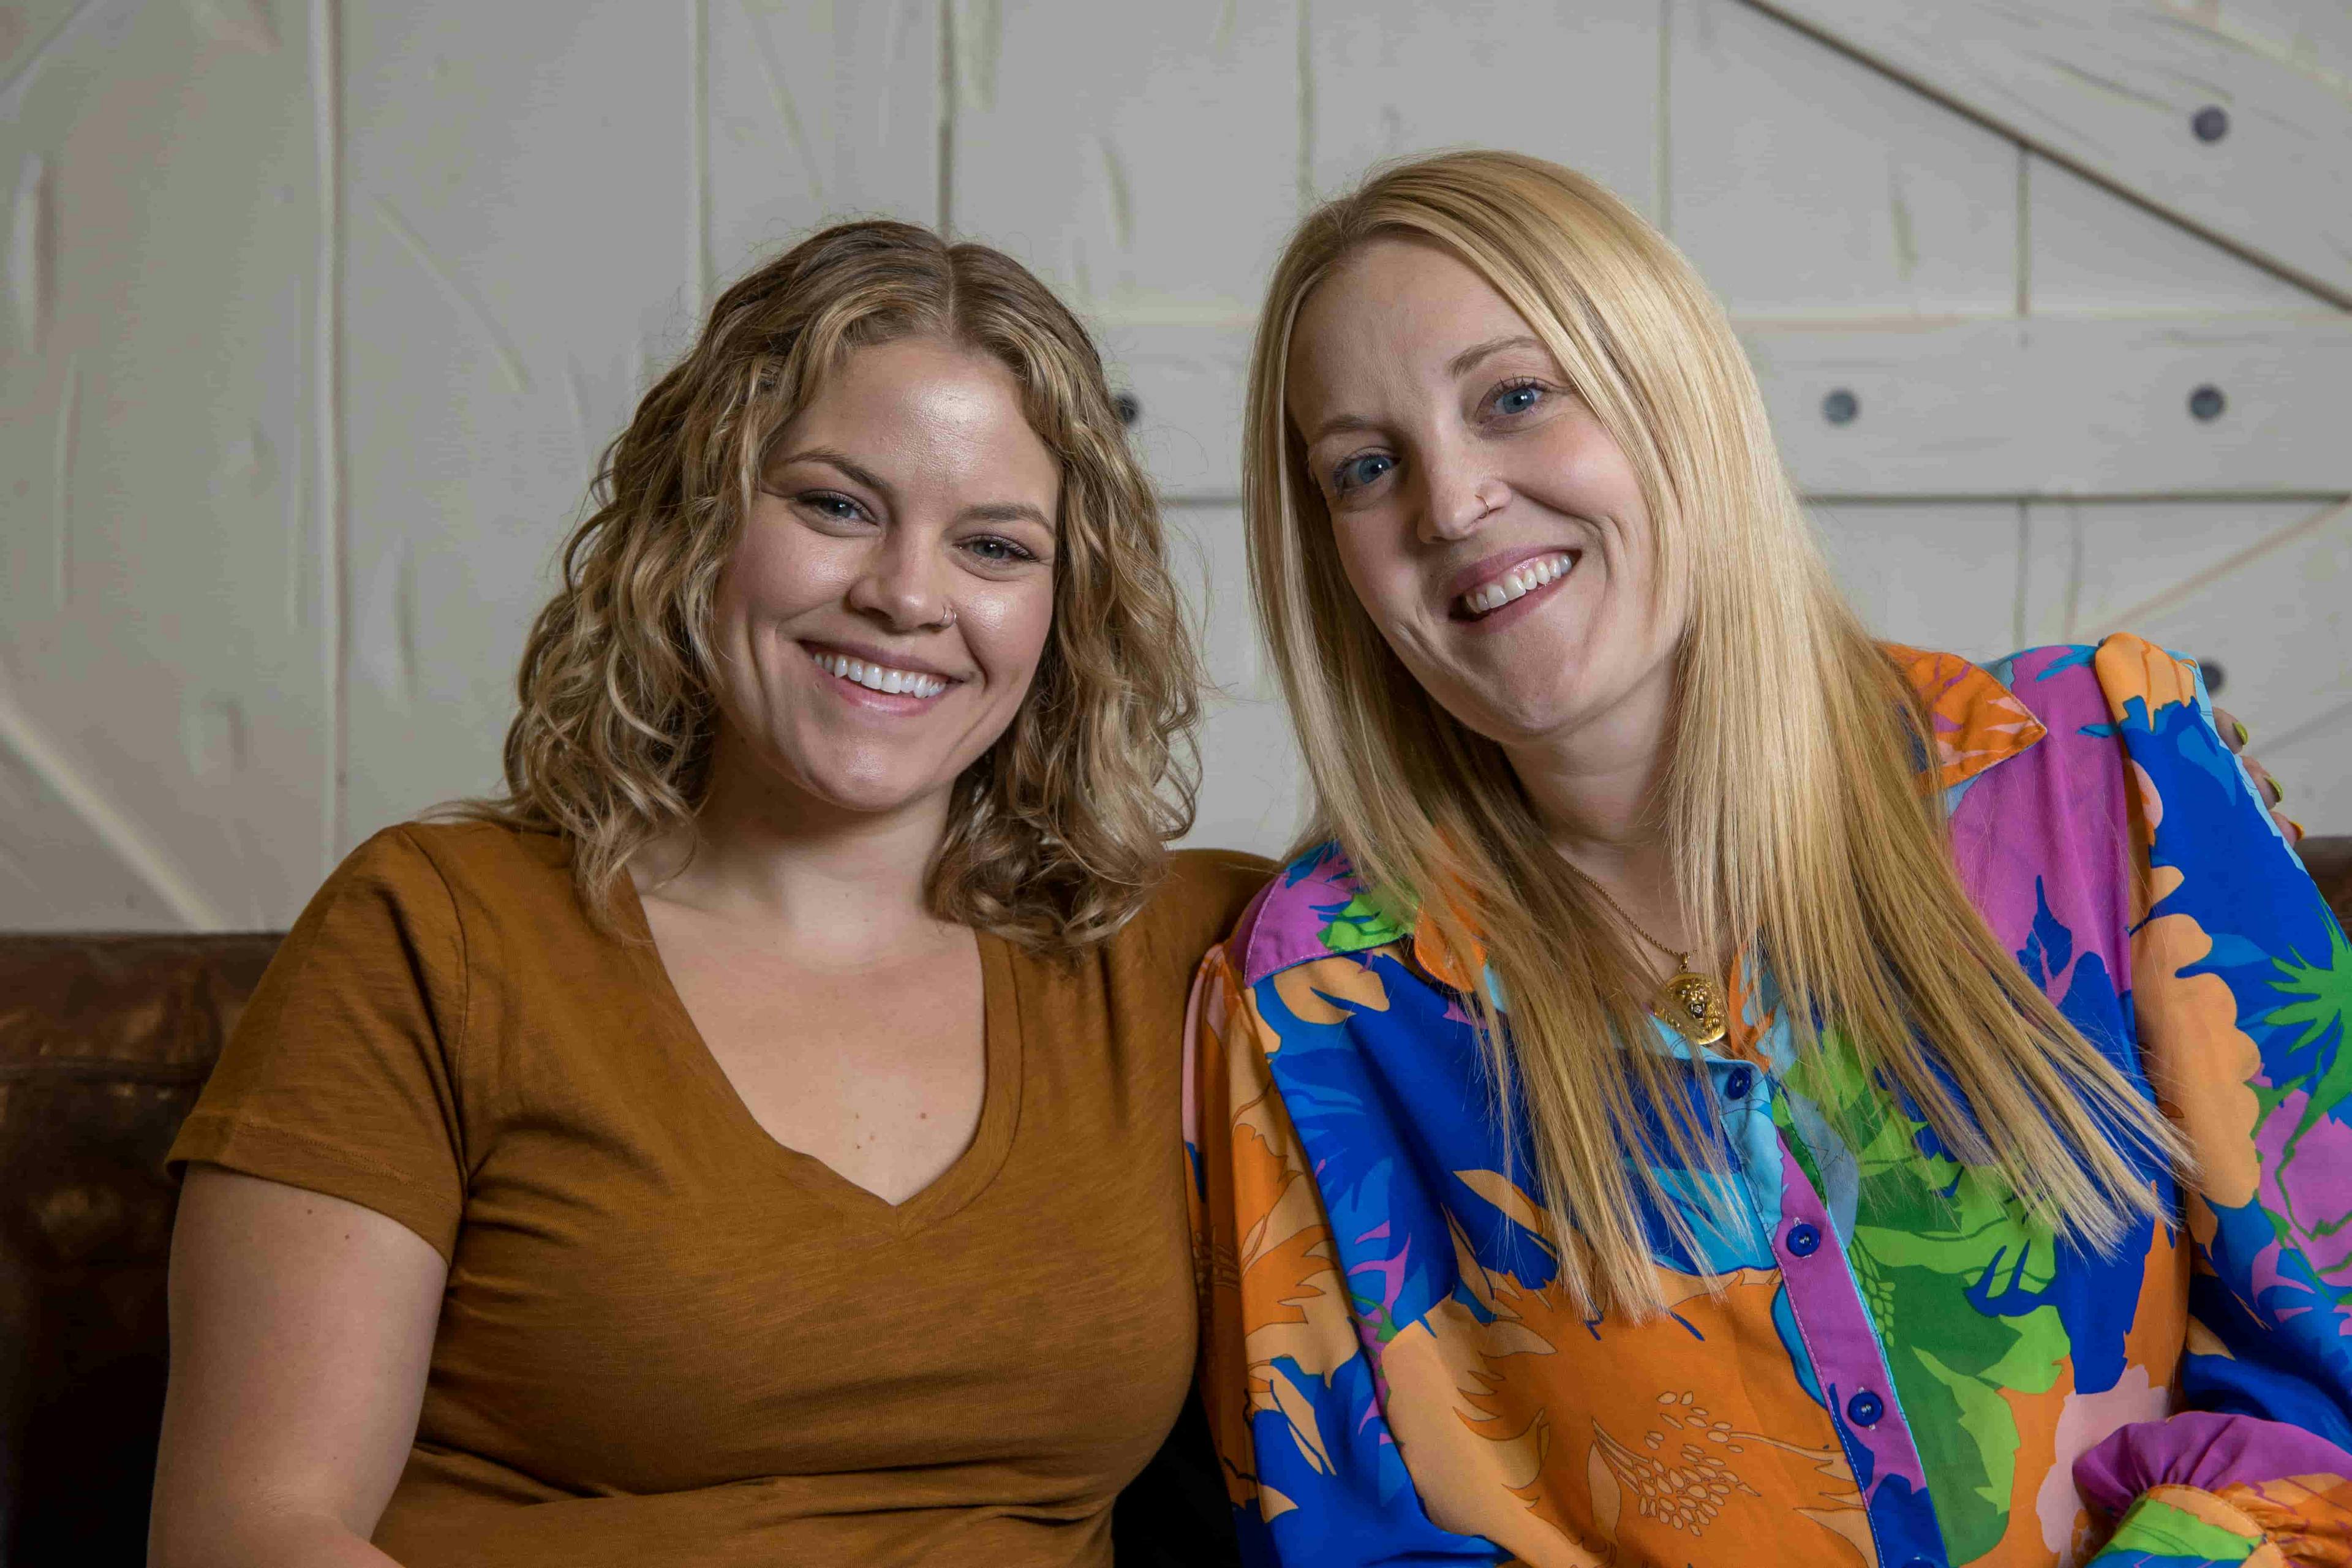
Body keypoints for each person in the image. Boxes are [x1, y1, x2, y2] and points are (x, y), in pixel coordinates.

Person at [1186, 149, 2351, 1568]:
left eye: (1514, 397)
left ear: (1674, 393)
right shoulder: (1318, 996)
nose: (1451, 502)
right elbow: (1356, 1540)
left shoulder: (2106, 769)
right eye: (1367, 468)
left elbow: (2332, 1364)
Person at [149, 220, 1263, 1567]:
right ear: (697, 524)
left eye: (994, 546)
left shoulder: (1186, 954)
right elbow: (250, 1531)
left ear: (1066, 609)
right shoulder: (439, 930)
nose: (907, 594)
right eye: (836, 505)